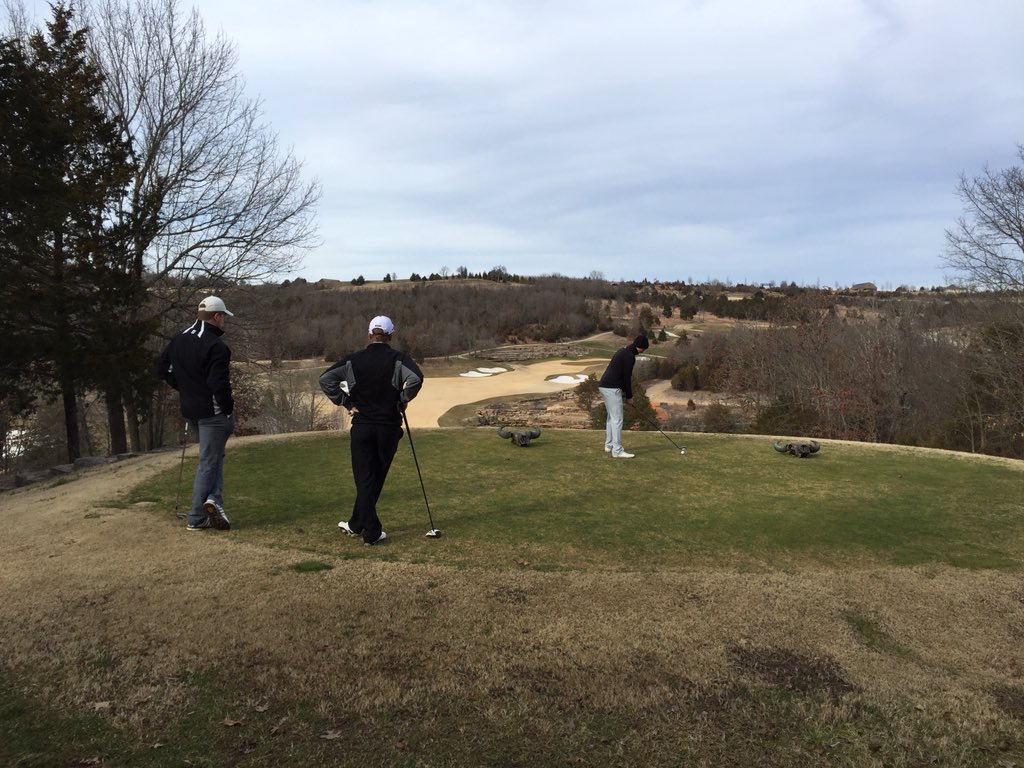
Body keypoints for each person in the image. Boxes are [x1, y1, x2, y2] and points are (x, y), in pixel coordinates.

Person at [319, 315, 424, 545]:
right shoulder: (399, 358)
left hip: (363, 426)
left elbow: (326, 379)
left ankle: (361, 526)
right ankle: (368, 528)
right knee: (374, 478)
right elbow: (416, 378)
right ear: (390, 336)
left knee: (366, 479)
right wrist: (402, 399)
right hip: (388, 428)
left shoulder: (353, 360)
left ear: (369, 335)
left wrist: (346, 402)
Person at [155, 296, 235, 531]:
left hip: (190, 409)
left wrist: (185, 388)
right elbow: (219, 384)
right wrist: (228, 409)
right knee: (209, 461)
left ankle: (213, 501)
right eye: (223, 318)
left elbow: (163, 369)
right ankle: (197, 517)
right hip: (213, 412)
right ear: (217, 316)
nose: (223, 323)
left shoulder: (179, 338)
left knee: (214, 456)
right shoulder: (216, 346)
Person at [598, 334, 649, 459]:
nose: (642, 352)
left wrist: (625, 395)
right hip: (612, 388)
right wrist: (629, 397)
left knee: (611, 417)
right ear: (640, 347)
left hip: (604, 386)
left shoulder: (622, 350)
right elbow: (627, 378)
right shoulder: (630, 357)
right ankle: (617, 450)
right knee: (617, 419)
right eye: (644, 349)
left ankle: (609, 445)